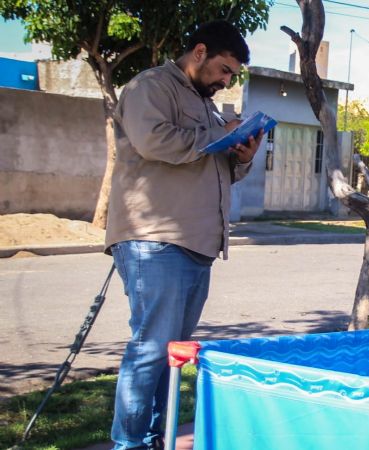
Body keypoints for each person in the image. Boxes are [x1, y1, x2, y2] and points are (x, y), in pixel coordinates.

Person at [104, 20, 262, 449]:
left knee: (171, 352)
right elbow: (154, 141)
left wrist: (241, 155)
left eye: (231, 75)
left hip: (197, 244)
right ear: (199, 52)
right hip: (155, 238)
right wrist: (220, 133)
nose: (226, 81)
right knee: (151, 348)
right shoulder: (150, 87)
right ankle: (130, 443)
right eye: (224, 69)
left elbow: (211, 169)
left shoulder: (204, 105)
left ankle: (155, 438)